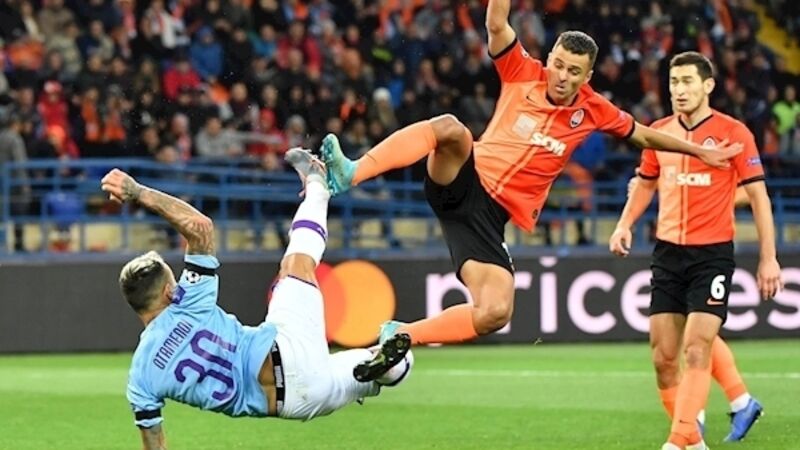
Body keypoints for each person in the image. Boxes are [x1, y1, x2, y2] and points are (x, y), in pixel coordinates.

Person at [320, 0, 742, 347]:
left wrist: (699, 152)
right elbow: (496, 22)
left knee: (496, 312)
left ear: (588, 76)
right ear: (550, 57)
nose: (561, 76)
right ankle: (350, 172)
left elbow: (644, 135)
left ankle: (401, 334)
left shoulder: (594, 109)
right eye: (558, 64)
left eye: (573, 71)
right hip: (463, 179)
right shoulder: (522, 71)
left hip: (487, 221)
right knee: (450, 129)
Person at [100, 149, 413, 450]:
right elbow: (200, 227)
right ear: (169, 292)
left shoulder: (140, 376)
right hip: (287, 352)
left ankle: (383, 363)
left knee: (367, 369)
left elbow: (154, 445)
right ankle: (318, 183)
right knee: (295, 266)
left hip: (295, 404)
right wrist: (138, 192)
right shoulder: (186, 304)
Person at [608, 52, 783, 450]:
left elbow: (759, 196)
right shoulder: (659, 133)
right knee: (663, 358)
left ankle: (678, 440)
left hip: (711, 256)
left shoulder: (733, 132)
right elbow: (646, 183)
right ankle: (695, 438)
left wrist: (768, 257)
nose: (679, 90)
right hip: (668, 254)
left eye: (687, 81)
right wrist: (623, 224)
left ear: (708, 86)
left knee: (697, 346)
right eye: (674, 82)